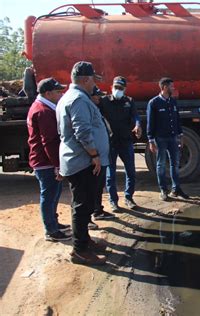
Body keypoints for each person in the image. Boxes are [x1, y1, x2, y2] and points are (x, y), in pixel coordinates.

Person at [56, 61, 109, 265]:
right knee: (82, 205)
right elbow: (82, 131)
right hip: (83, 162)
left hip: (78, 161)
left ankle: (85, 241)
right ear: (86, 79)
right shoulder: (79, 99)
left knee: (83, 204)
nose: (94, 83)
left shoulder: (68, 97)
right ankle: (79, 251)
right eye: (93, 79)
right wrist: (95, 155)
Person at [27, 77, 71, 242]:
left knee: (54, 193)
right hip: (46, 162)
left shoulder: (42, 107)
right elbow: (49, 141)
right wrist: (58, 165)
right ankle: (51, 230)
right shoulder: (44, 111)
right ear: (47, 93)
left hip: (45, 161)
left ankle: (54, 223)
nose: (61, 94)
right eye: (58, 91)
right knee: (49, 194)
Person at [99, 76, 142, 211]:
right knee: (110, 174)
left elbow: (135, 116)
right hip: (111, 143)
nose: (118, 90)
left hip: (126, 141)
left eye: (121, 88)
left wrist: (137, 125)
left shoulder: (129, 101)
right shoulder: (104, 101)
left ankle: (129, 197)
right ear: (111, 87)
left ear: (125, 89)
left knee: (131, 171)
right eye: (116, 88)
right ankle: (113, 201)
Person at [147, 77, 188, 201]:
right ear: (164, 87)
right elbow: (150, 122)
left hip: (173, 137)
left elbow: (177, 120)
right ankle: (163, 190)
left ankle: (176, 189)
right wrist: (150, 140)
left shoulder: (173, 102)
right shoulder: (153, 103)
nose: (173, 88)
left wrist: (180, 135)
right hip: (160, 139)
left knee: (175, 163)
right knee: (161, 164)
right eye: (171, 86)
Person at [89, 86, 115, 224]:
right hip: (95, 156)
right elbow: (85, 134)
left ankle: (98, 210)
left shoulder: (97, 109)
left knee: (99, 185)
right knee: (92, 186)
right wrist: (94, 155)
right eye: (97, 95)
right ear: (90, 96)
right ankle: (92, 213)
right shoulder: (88, 111)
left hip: (102, 155)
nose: (99, 97)